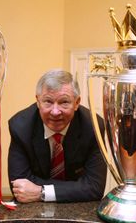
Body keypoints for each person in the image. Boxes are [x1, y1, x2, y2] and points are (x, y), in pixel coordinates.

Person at [8, 69, 107, 203]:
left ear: (77, 103)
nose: (55, 112)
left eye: (64, 102)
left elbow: (95, 187)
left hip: (78, 212)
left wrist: (41, 192)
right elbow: (19, 186)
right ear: (38, 101)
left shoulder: (93, 126)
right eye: (48, 101)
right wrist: (76, 187)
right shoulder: (20, 127)